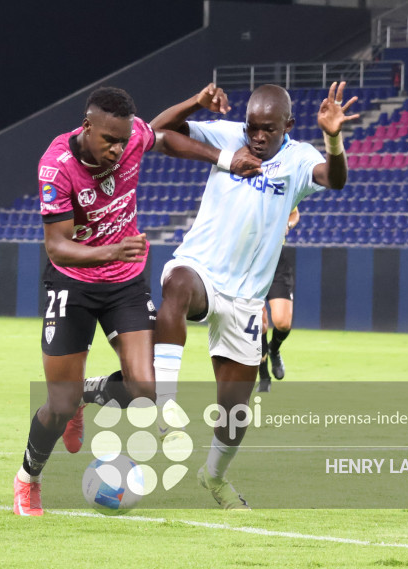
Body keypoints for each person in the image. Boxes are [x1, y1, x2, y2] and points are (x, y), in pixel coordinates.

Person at [13, 86, 261, 516]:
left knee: (148, 388)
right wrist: (110, 249)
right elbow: (56, 246)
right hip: (72, 284)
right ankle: (28, 478)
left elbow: (159, 131)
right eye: (109, 140)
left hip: (125, 284)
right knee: (58, 404)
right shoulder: (57, 166)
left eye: (124, 140)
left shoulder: (129, 141)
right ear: (87, 127)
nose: (118, 150)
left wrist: (202, 121)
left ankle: (90, 394)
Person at [150, 81, 358, 509]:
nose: (257, 137)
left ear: (289, 126)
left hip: (246, 300)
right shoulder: (230, 135)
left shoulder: (300, 158)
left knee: (234, 414)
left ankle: (213, 477)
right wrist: (196, 104)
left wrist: (333, 138)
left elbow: (334, 180)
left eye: (268, 129)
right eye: (252, 128)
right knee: (176, 284)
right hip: (202, 270)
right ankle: (164, 403)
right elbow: (155, 134)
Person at [258, 207, 299, 393]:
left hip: (276, 265)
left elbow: (294, 213)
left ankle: (274, 350)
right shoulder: (241, 189)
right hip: (249, 266)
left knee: (282, 323)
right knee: (258, 325)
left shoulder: (278, 186)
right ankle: (264, 378)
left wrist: (288, 224)